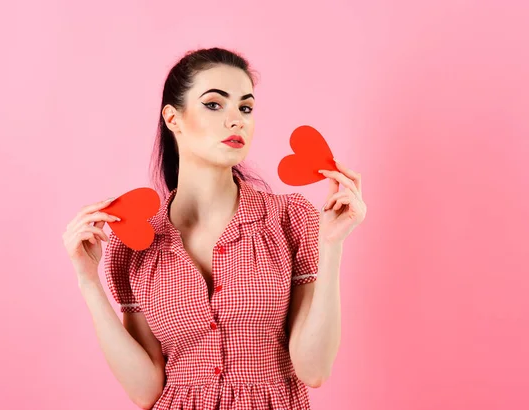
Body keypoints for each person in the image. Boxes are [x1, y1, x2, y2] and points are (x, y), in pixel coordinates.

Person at [63, 47, 366, 409]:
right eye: (214, 104)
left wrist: (331, 246)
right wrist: (88, 281)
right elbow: (145, 391)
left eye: (246, 107)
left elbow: (314, 369)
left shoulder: (288, 219)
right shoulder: (135, 244)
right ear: (173, 118)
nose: (236, 119)